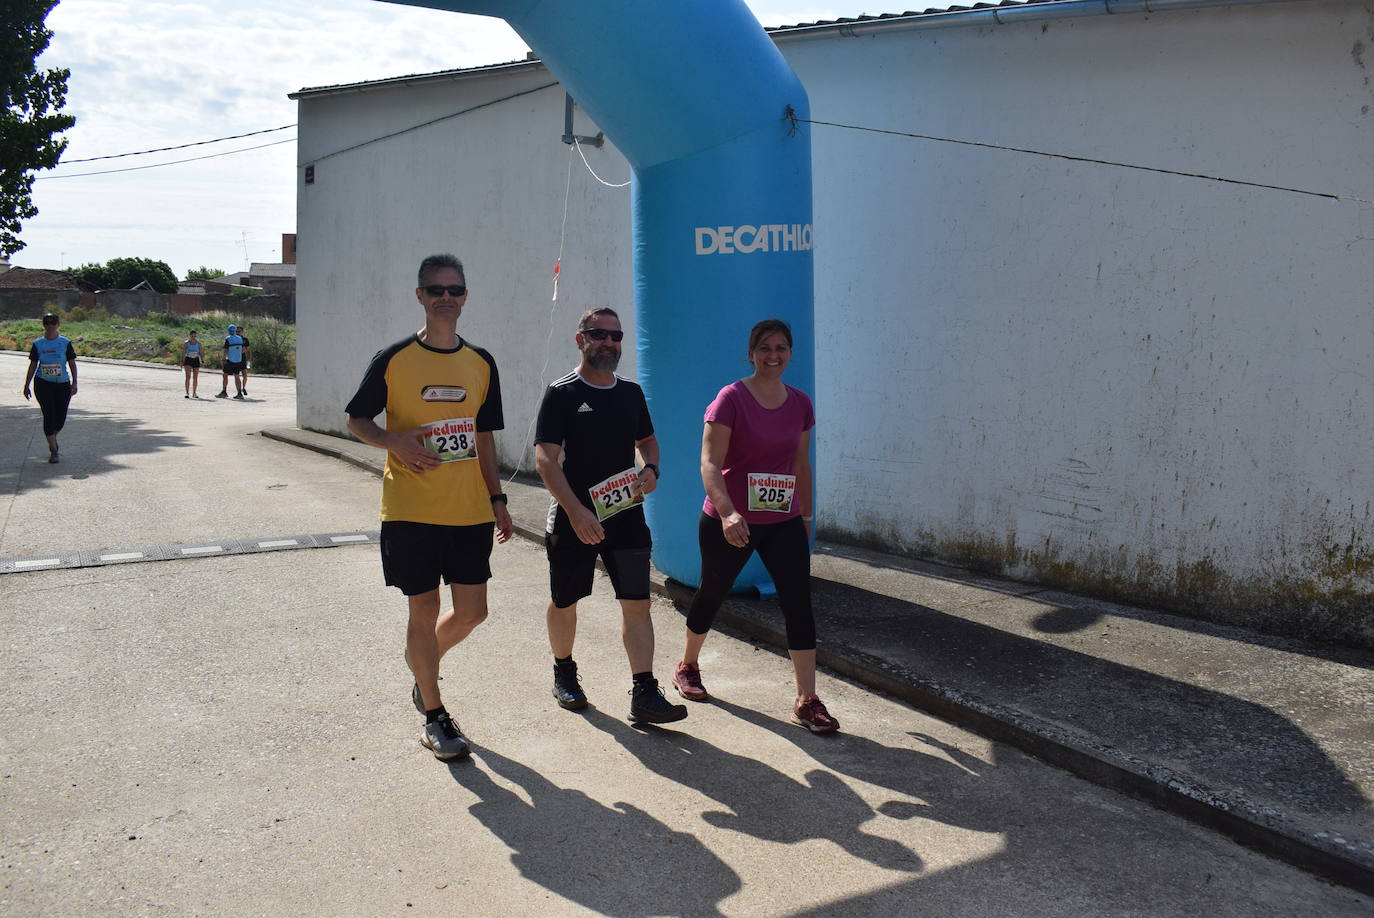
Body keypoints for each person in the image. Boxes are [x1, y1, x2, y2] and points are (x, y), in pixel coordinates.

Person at [345, 254, 514, 761]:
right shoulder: (394, 358)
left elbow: (484, 437)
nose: (446, 297)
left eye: (454, 290)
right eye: (436, 289)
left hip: (469, 510)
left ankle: (422, 667)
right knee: (425, 608)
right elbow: (357, 419)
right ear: (419, 295)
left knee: (473, 612)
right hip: (410, 508)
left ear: (465, 297)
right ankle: (435, 715)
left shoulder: (481, 362)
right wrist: (393, 441)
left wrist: (498, 499)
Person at [672, 318, 838, 733]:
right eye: (765, 348)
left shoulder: (800, 403)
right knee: (713, 590)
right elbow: (709, 463)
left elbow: (800, 464)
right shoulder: (730, 398)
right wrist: (728, 512)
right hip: (731, 520)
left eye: (781, 348)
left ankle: (807, 700)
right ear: (751, 353)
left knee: (798, 602)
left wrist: (806, 516)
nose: (773, 355)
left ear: (790, 354)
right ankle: (688, 665)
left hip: (783, 519)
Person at [534, 307, 686, 725]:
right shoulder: (561, 393)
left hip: (625, 516)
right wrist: (576, 511)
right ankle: (564, 671)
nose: (608, 342)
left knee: (637, 603)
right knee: (565, 600)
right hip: (574, 518)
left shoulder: (631, 393)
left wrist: (651, 469)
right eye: (598, 334)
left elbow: (648, 441)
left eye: (615, 336)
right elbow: (545, 460)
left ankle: (645, 693)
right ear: (580, 339)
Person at [21, 312, 78, 464]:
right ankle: (53, 450)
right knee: (49, 415)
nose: (50, 326)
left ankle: (52, 437)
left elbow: (72, 363)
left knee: (60, 419)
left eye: (53, 323)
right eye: (47, 323)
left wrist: (74, 383)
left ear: (58, 325)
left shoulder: (65, 343)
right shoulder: (38, 344)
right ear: (44, 325)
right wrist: (26, 385)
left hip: (62, 384)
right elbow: (33, 364)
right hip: (43, 384)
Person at [216, 324, 249, 399]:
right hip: (238, 360)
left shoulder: (228, 338)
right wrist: (237, 354)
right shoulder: (240, 339)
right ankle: (239, 393)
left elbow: (225, 350)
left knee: (225, 375)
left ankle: (224, 392)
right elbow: (243, 349)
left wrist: (223, 359)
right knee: (237, 376)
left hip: (230, 360)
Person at [182, 330, 203, 398]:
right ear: (190, 336)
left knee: (195, 377)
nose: (193, 337)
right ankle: (187, 393)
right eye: (192, 336)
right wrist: (182, 361)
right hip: (188, 359)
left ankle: (194, 393)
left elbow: (201, 352)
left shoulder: (198, 343)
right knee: (188, 376)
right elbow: (183, 352)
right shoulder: (186, 343)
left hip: (196, 359)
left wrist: (202, 360)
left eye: (195, 336)